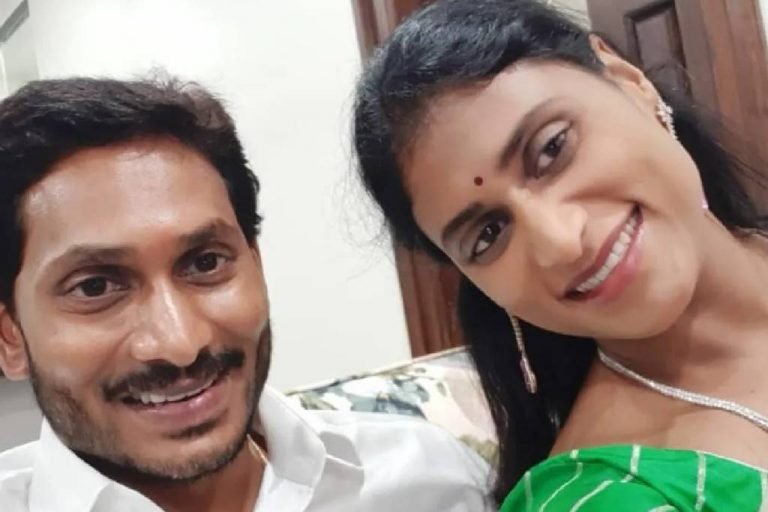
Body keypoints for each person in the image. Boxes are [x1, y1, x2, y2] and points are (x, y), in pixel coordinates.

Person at [0, 77, 492, 512]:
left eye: (205, 263)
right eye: (95, 287)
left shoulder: (433, 481)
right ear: (10, 338)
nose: (180, 343)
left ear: (256, 263)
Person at [353, 0, 768, 510]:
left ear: (629, 82)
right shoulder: (601, 497)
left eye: (551, 149)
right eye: (488, 234)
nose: (561, 242)